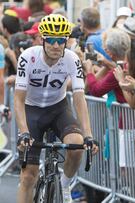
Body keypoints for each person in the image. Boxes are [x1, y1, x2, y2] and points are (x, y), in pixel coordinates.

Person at [14, 14, 99, 203]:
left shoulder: (72, 58)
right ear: (43, 40)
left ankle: (64, 184)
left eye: (60, 40)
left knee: (77, 145)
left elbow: (79, 98)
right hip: (31, 110)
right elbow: (18, 99)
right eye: (51, 40)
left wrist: (88, 135)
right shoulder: (28, 57)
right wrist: (23, 132)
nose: (56, 45)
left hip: (58, 109)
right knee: (29, 176)